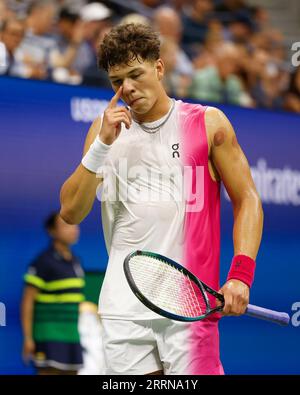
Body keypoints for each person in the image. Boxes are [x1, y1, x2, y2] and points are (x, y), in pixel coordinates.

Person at [60, 23, 263, 375]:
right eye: (117, 81)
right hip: (123, 307)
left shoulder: (207, 123)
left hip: (189, 308)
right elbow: (71, 212)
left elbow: (247, 199)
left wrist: (240, 275)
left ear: (159, 67)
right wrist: (101, 145)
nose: (128, 89)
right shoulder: (103, 131)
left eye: (136, 74)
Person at [21, 212, 85, 375]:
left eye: (74, 224)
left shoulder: (76, 262)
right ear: (52, 231)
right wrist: (28, 338)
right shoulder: (43, 261)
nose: (73, 229)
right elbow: (27, 301)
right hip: (48, 337)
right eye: (66, 225)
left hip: (72, 337)